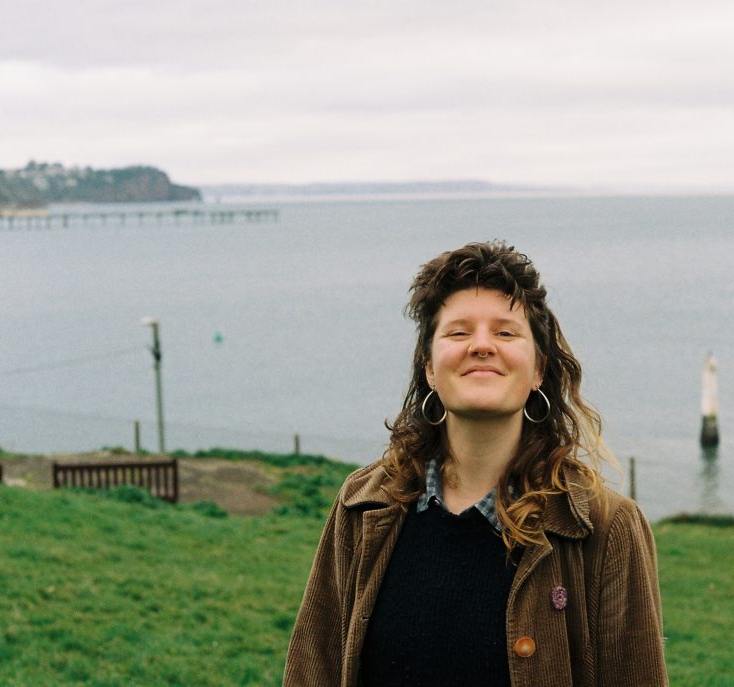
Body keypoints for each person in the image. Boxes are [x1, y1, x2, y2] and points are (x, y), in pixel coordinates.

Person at [283, 241, 667, 686]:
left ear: (539, 369)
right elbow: (314, 671)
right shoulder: (363, 506)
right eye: (459, 332)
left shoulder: (605, 528)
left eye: (505, 333)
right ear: (429, 367)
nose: (482, 345)